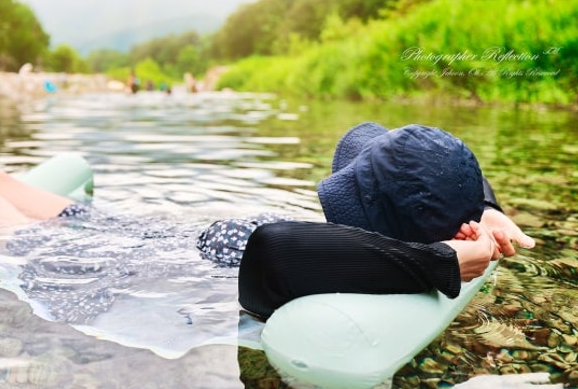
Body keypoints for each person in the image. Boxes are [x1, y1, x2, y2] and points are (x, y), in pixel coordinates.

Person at [0, 109, 533, 316]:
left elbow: (272, 252)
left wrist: (442, 258)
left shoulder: (349, 258)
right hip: (140, 235)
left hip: (111, 268)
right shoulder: (390, 229)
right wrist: (489, 209)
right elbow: (385, 160)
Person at [199, 122, 535, 319]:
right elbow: (270, 249)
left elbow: (450, 175)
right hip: (201, 255)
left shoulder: (350, 246)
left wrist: (484, 211)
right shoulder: (285, 252)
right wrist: (437, 262)